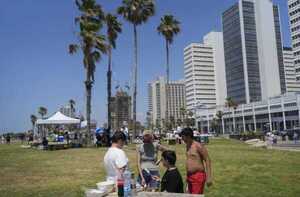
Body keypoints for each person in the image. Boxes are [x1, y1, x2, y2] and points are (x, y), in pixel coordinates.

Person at [180, 127, 212, 194]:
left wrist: (209, 177)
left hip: (198, 176)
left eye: (183, 137)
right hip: (189, 176)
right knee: (187, 194)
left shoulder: (198, 146)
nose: (182, 139)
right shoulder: (187, 146)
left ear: (188, 136)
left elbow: (207, 159)